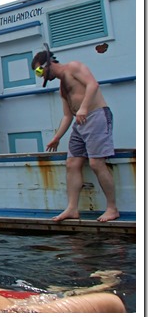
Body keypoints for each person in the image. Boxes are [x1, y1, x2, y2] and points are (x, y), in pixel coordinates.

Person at [31, 50, 120, 222]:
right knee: (72, 163)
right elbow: (67, 115)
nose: (39, 75)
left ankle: (112, 208)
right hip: (79, 123)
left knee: (96, 163)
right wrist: (57, 137)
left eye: (39, 71)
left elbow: (93, 85)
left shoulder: (74, 67)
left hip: (95, 115)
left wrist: (84, 107)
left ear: (47, 64)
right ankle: (72, 208)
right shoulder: (62, 87)